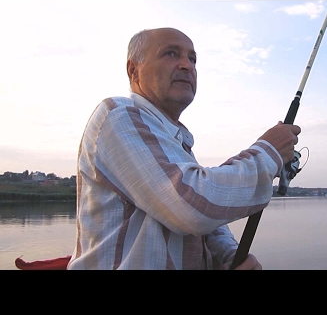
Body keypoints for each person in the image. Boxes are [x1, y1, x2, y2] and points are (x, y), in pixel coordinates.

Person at [67, 27, 301, 270]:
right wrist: (269, 152)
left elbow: (207, 226)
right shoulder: (117, 114)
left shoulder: (174, 139)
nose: (186, 66)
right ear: (133, 70)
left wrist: (229, 256)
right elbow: (190, 205)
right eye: (170, 54)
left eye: (192, 59)